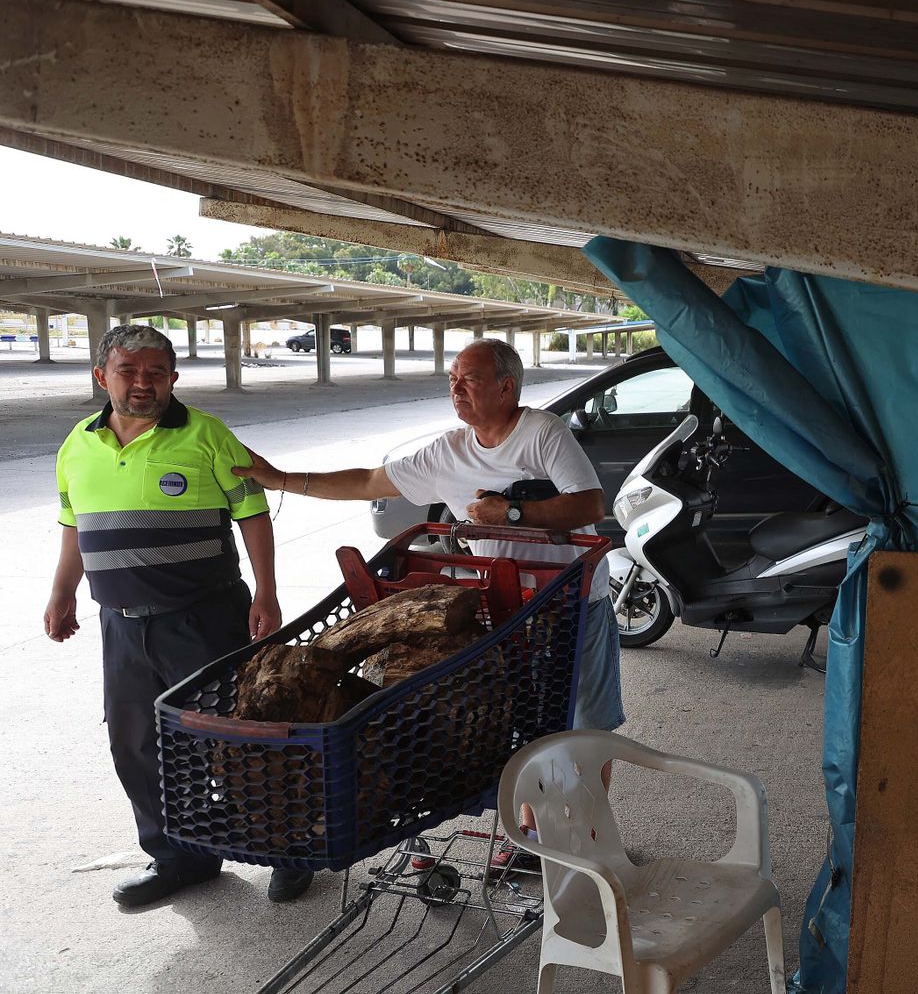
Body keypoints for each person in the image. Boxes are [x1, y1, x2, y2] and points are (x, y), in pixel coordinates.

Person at [231, 338, 625, 864]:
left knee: (585, 722)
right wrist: (280, 479)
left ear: (507, 387)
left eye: (470, 379)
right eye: (451, 380)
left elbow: (588, 503)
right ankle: (533, 833)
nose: (456, 389)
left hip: (573, 602)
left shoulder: (542, 434)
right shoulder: (448, 451)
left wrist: (511, 515)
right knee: (529, 718)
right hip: (509, 611)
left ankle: (588, 833)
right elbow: (370, 480)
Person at [44, 325, 313, 906]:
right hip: (120, 624)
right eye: (128, 371)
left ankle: (290, 850)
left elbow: (254, 516)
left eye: (155, 372)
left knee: (240, 739)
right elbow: (74, 527)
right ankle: (181, 858)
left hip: (206, 618)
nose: (142, 383)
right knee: (138, 745)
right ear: (102, 376)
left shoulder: (207, 434)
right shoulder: (77, 444)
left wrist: (266, 594)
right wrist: (63, 591)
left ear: (172, 378)